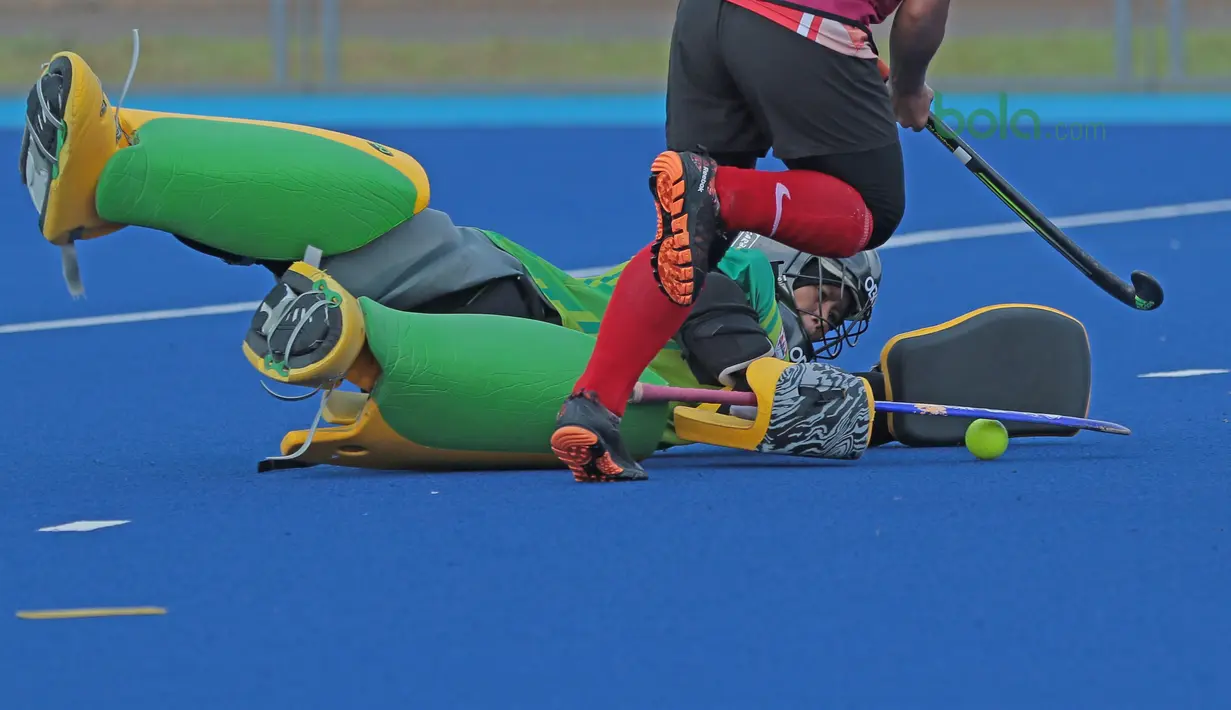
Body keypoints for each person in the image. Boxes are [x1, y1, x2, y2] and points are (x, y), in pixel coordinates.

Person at [551, 0, 951, 481]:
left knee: (694, 238)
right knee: (873, 206)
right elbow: (920, 13)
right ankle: (720, 192)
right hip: (801, 18)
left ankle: (594, 407)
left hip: (702, 19)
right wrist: (907, 88)